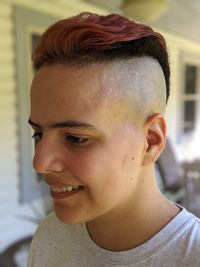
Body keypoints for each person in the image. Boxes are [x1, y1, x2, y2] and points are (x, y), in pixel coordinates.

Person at [27, 12, 200, 267]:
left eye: (75, 138)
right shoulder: (49, 236)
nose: (40, 163)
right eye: (38, 134)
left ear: (150, 141)